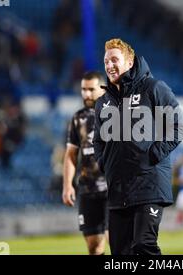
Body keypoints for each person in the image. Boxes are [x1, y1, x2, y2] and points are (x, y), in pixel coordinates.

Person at [93, 38, 183, 255]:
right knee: (120, 253)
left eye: (115, 59)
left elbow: (178, 126)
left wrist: (153, 155)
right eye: (106, 61)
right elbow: (98, 141)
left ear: (130, 61)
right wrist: (104, 163)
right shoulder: (103, 102)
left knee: (144, 245)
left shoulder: (153, 88)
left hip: (149, 184)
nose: (109, 65)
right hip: (118, 190)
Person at [62, 71, 108, 255]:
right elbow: (71, 154)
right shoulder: (78, 118)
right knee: (94, 246)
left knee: (117, 240)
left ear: (103, 89)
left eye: (91, 89)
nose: (86, 94)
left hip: (113, 188)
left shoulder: (117, 115)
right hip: (88, 189)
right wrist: (67, 186)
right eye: (83, 89)